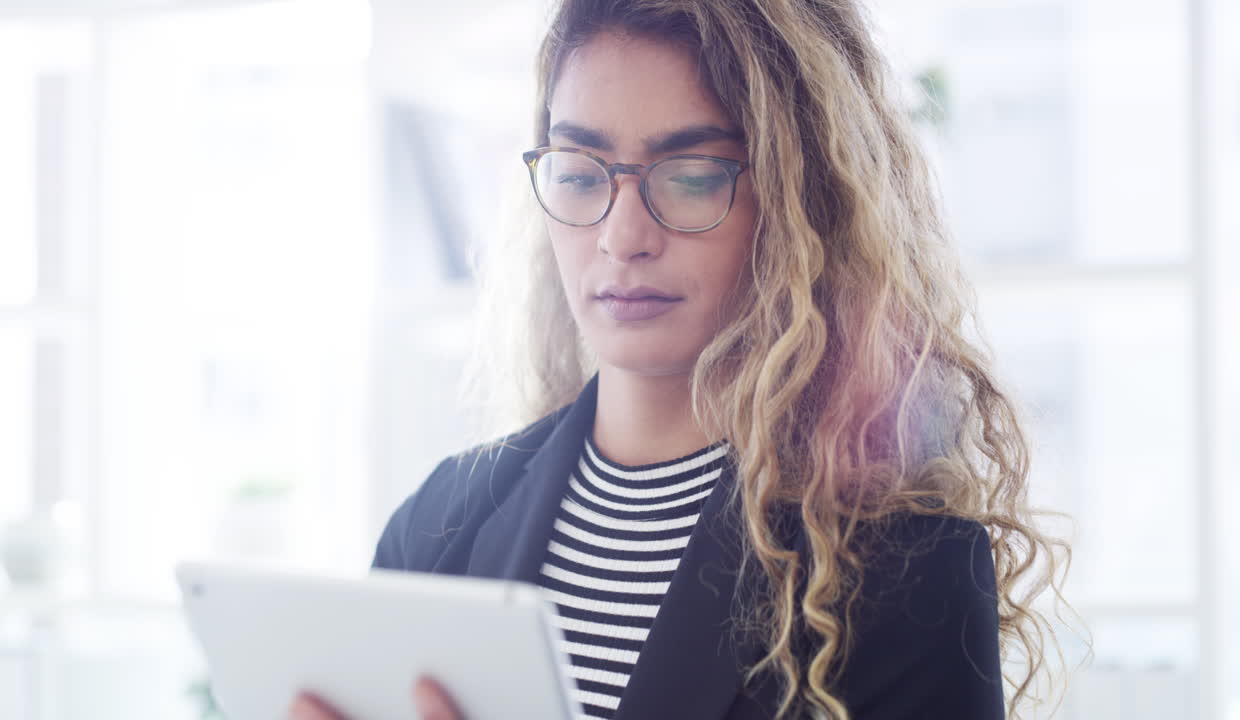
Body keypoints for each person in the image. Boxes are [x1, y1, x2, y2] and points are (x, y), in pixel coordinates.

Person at [291, 0, 1073, 719]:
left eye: (692, 176)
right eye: (579, 172)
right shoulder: (437, 528)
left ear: (802, 202)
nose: (622, 235)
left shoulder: (907, 573)